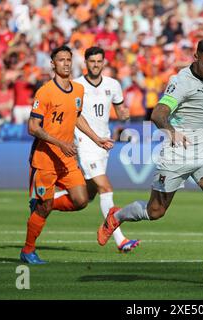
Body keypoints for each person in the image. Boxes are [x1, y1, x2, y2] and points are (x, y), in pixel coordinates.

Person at [97, 38, 203, 281]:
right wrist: (171, 132)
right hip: (178, 152)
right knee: (155, 211)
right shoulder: (181, 82)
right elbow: (159, 113)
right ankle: (116, 216)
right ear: (196, 57)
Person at [20, 45, 114, 264]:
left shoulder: (78, 90)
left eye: (68, 59)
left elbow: (77, 117)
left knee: (81, 200)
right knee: (43, 209)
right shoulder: (45, 92)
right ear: (53, 64)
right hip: (44, 158)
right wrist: (59, 142)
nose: (65, 63)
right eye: (60, 60)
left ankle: (45, 203)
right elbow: (33, 127)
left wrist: (96, 138)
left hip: (66, 157)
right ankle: (27, 250)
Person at [54, 46, 140, 253]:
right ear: (86, 63)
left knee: (86, 197)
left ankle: (47, 199)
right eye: (92, 61)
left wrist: (124, 114)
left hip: (104, 145)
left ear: (104, 63)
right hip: (85, 144)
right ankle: (120, 240)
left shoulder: (113, 84)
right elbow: (73, 115)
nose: (95, 65)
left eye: (99, 61)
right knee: (106, 188)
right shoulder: (76, 86)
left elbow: (119, 110)